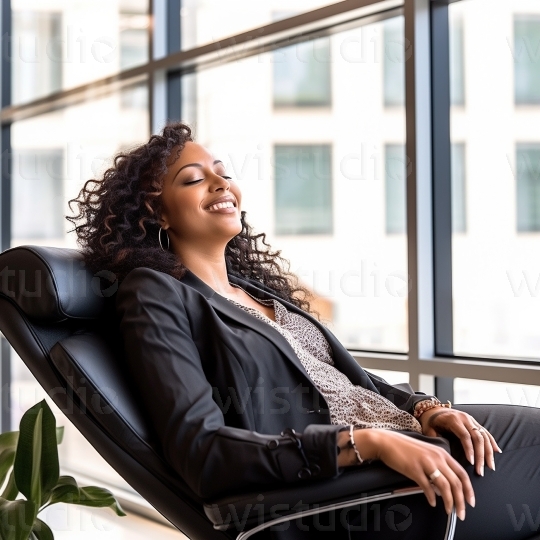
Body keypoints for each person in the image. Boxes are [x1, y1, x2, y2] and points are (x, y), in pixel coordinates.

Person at [69, 123, 540, 540]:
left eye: (222, 171)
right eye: (193, 179)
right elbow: (202, 450)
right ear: (159, 216)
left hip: (406, 437)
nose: (220, 183)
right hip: (354, 490)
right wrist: (364, 442)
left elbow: (348, 384)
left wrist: (426, 408)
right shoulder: (154, 293)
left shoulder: (253, 291)